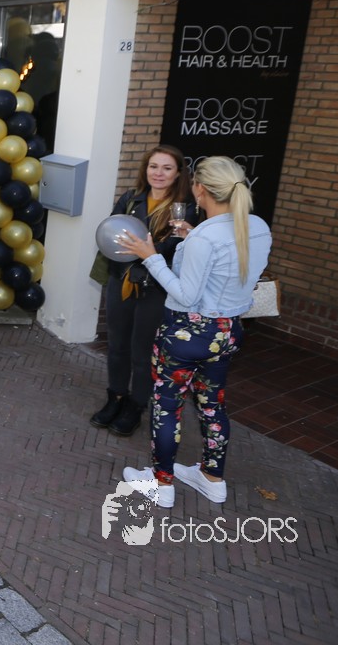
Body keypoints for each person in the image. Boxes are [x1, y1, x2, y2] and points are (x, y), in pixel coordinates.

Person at [117, 156, 272, 508]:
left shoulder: (205, 236)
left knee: (167, 407)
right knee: (213, 405)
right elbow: (229, 270)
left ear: (200, 189)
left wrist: (150, 256)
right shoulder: (257, 226)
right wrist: (191, 240)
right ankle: (213, 479)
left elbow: (186, 295)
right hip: (228, 332)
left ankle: (161, 484)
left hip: (187, 334)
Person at [90, 145, 195, 437]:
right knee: (117, 346)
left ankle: (136, 405)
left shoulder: (184, 209)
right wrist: (139, 250)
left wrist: (144, 250)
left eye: (167, 168)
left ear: (178, 174)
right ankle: (115, 397)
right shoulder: (130, 199)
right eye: (153, 166)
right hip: (122, 281)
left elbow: (176, 248)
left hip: (155, 288)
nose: (158, 173)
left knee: (142, 351)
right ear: (145, 169)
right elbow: (110, 233)